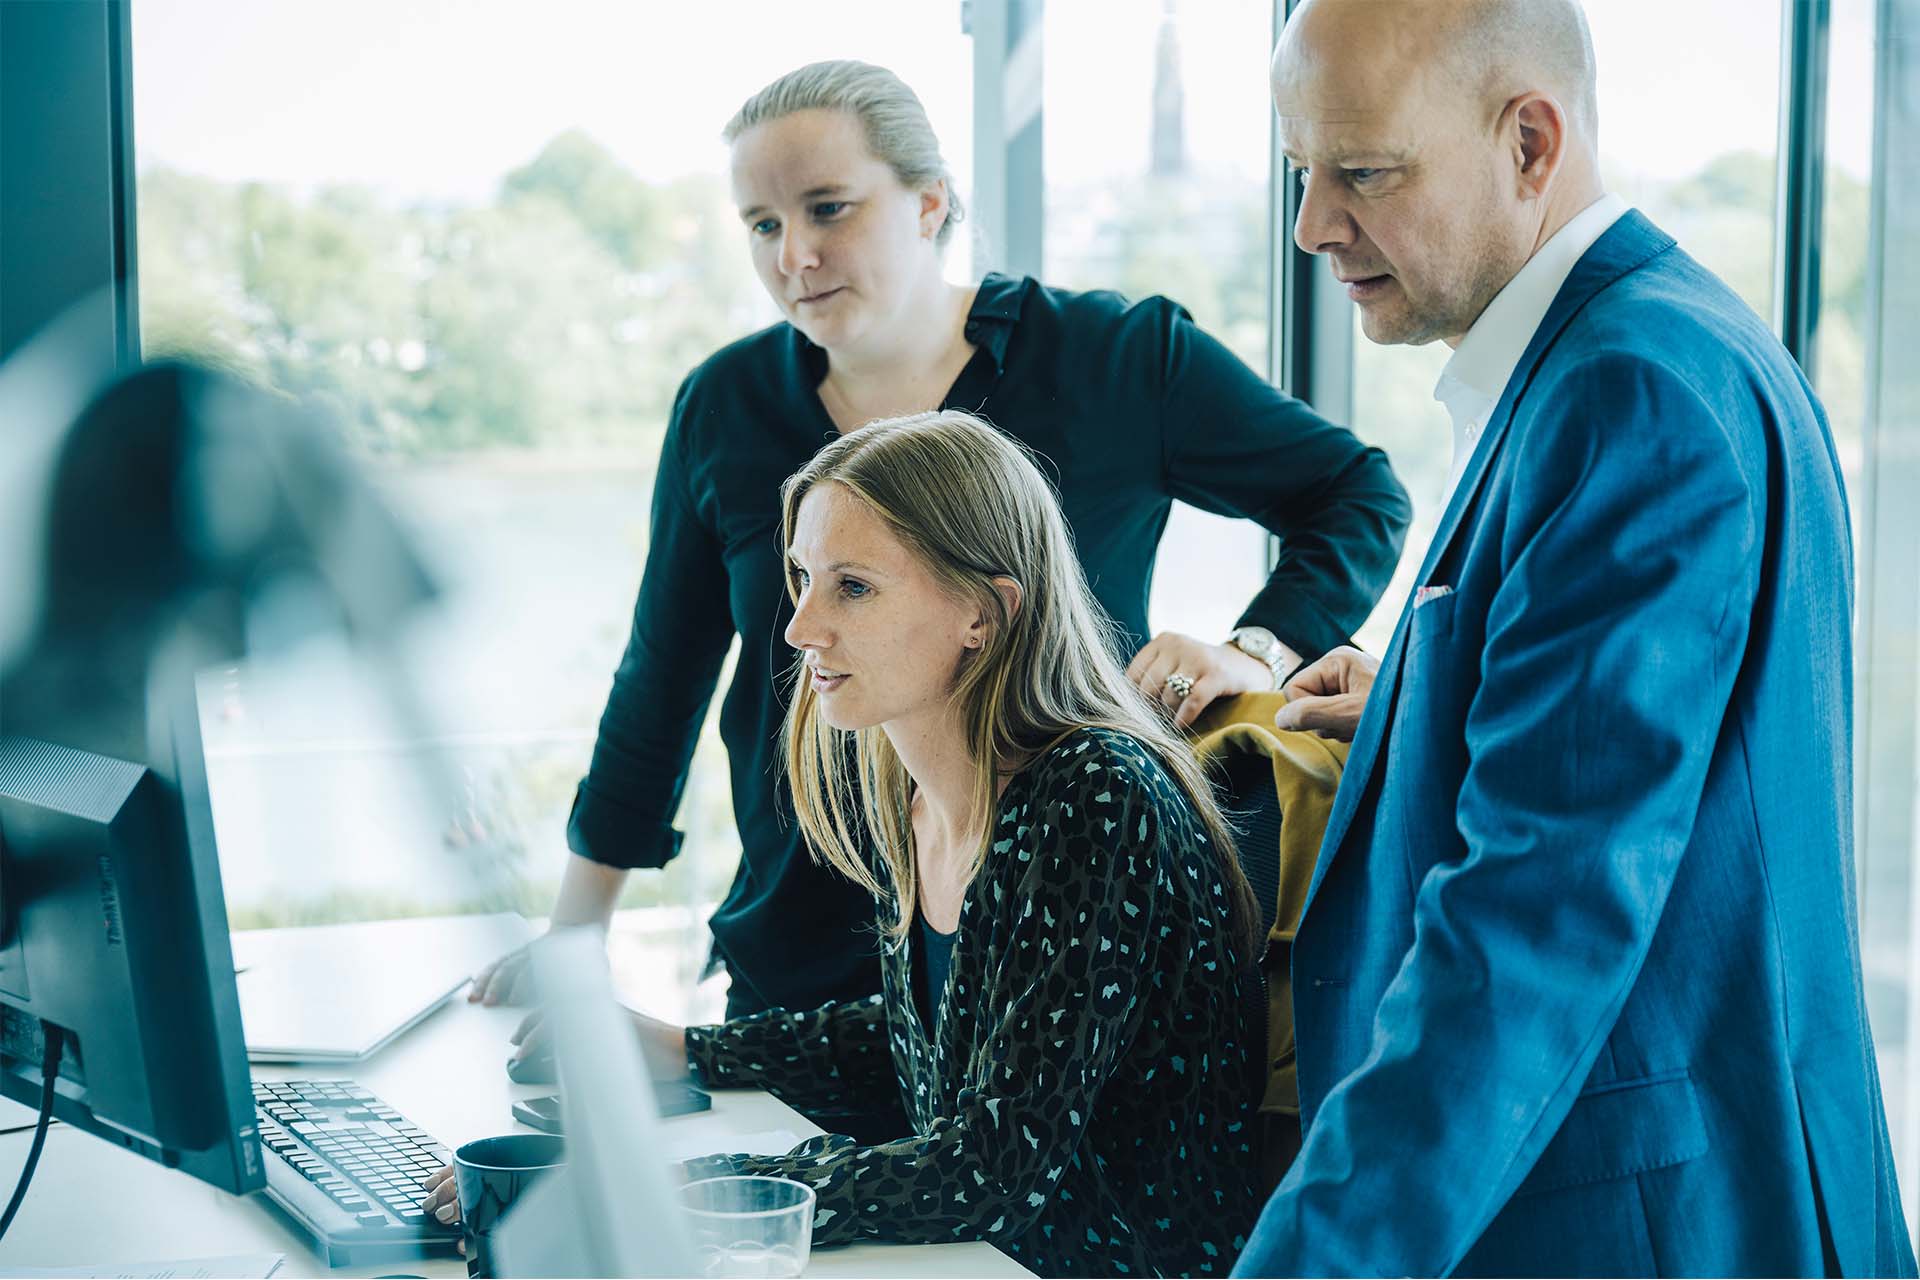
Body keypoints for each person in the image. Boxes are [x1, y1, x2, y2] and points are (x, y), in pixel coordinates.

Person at [471, 60, 1410, 1027]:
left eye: (829, 209)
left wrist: (1253, 648)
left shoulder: (1114, 358)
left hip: (1057, 954)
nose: (794, 254)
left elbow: (1355, 494)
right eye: (762, 224)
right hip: (802, 958)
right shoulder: (725, 406)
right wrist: (576, 936)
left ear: (929, 204)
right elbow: (660, 679)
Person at [1234, 0, 1915, 1275]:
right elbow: (1666, 759)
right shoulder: (1658, 342)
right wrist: (1415, 705)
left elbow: (1537, 919)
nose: (1313, 225)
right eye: (1302, 174)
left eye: (1363, 173)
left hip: (1638, 1224)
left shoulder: (1626, 391)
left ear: (1531, 143)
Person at [430, 410, 1268, 1276]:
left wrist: (656, 1190)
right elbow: (933, 1036)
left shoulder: (1095, 795)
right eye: (801, 578)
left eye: (854, 588)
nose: (799, 628)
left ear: (984, 612)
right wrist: (686, 1048)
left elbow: (987, 1166)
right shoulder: (919, 787)